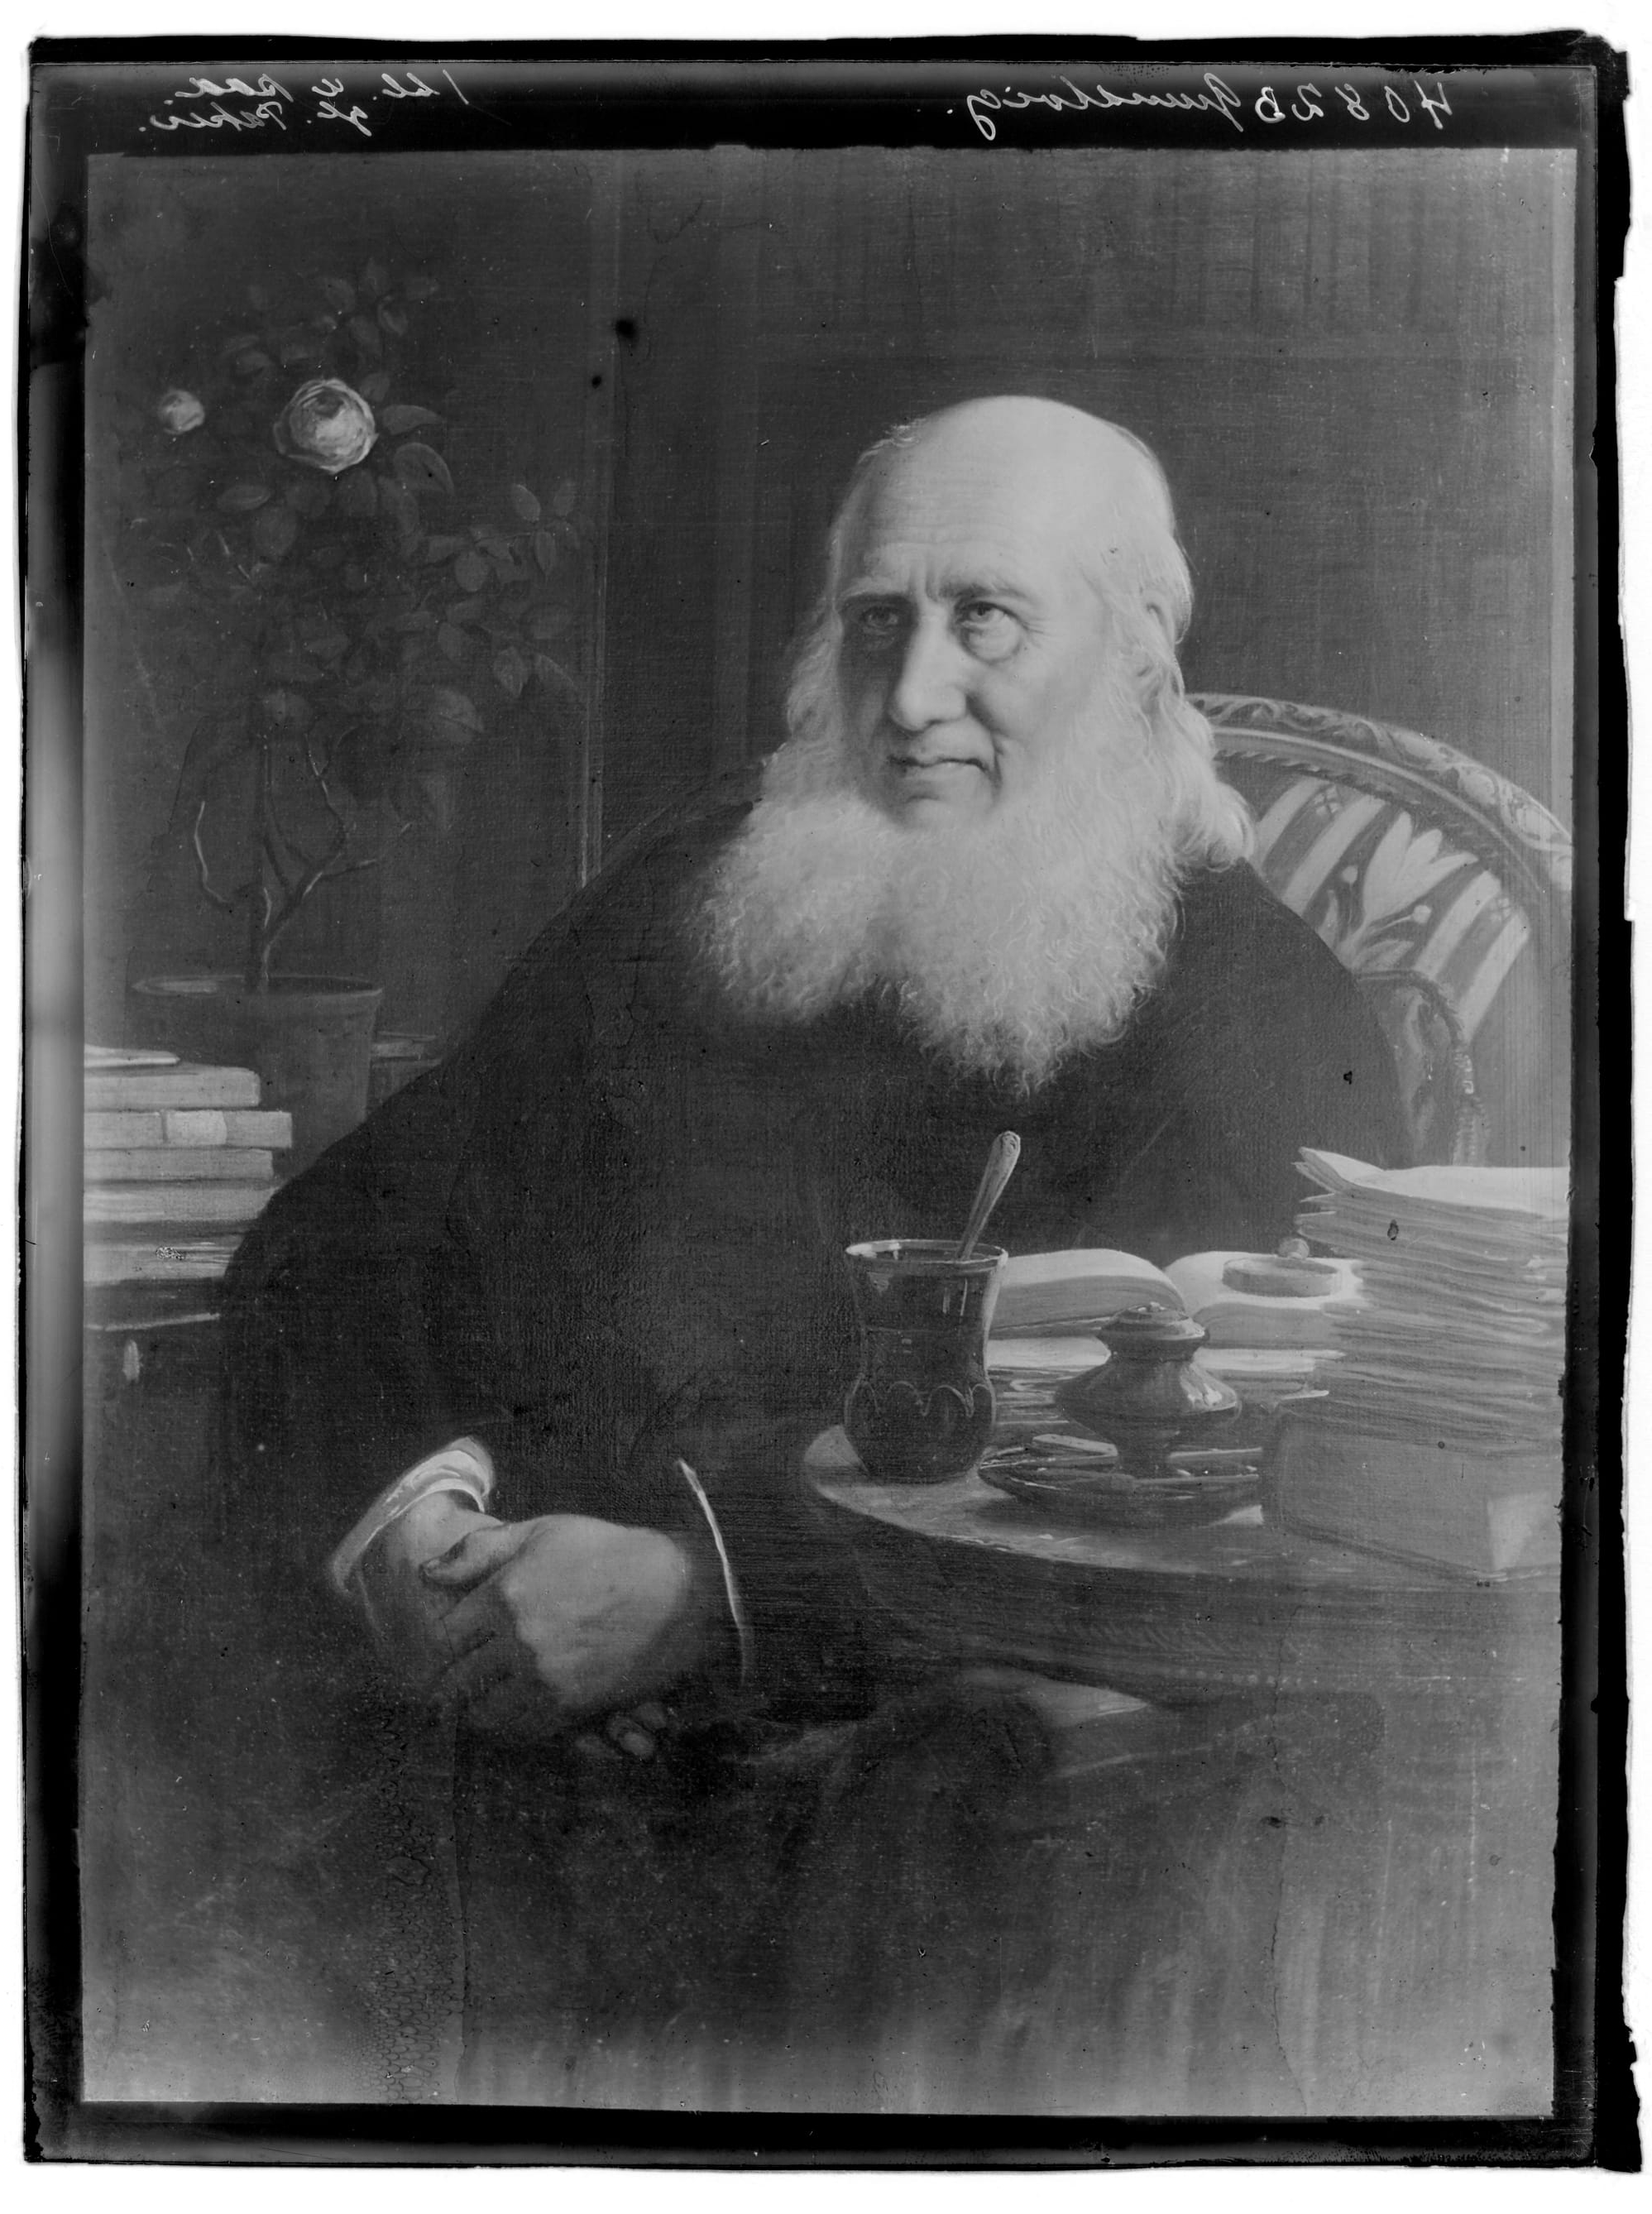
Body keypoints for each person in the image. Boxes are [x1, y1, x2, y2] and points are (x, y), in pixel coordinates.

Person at [221, 395, 1406, 2101]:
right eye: (876, 621)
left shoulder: (1257, 1014)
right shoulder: (703, 892)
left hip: (857, 1760)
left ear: (1139, 657)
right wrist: (415, 1529)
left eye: (985, 617)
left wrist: (707, 1589)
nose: (912, 695)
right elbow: (362, 1225)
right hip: (463, 1719)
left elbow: (1182, 1457)